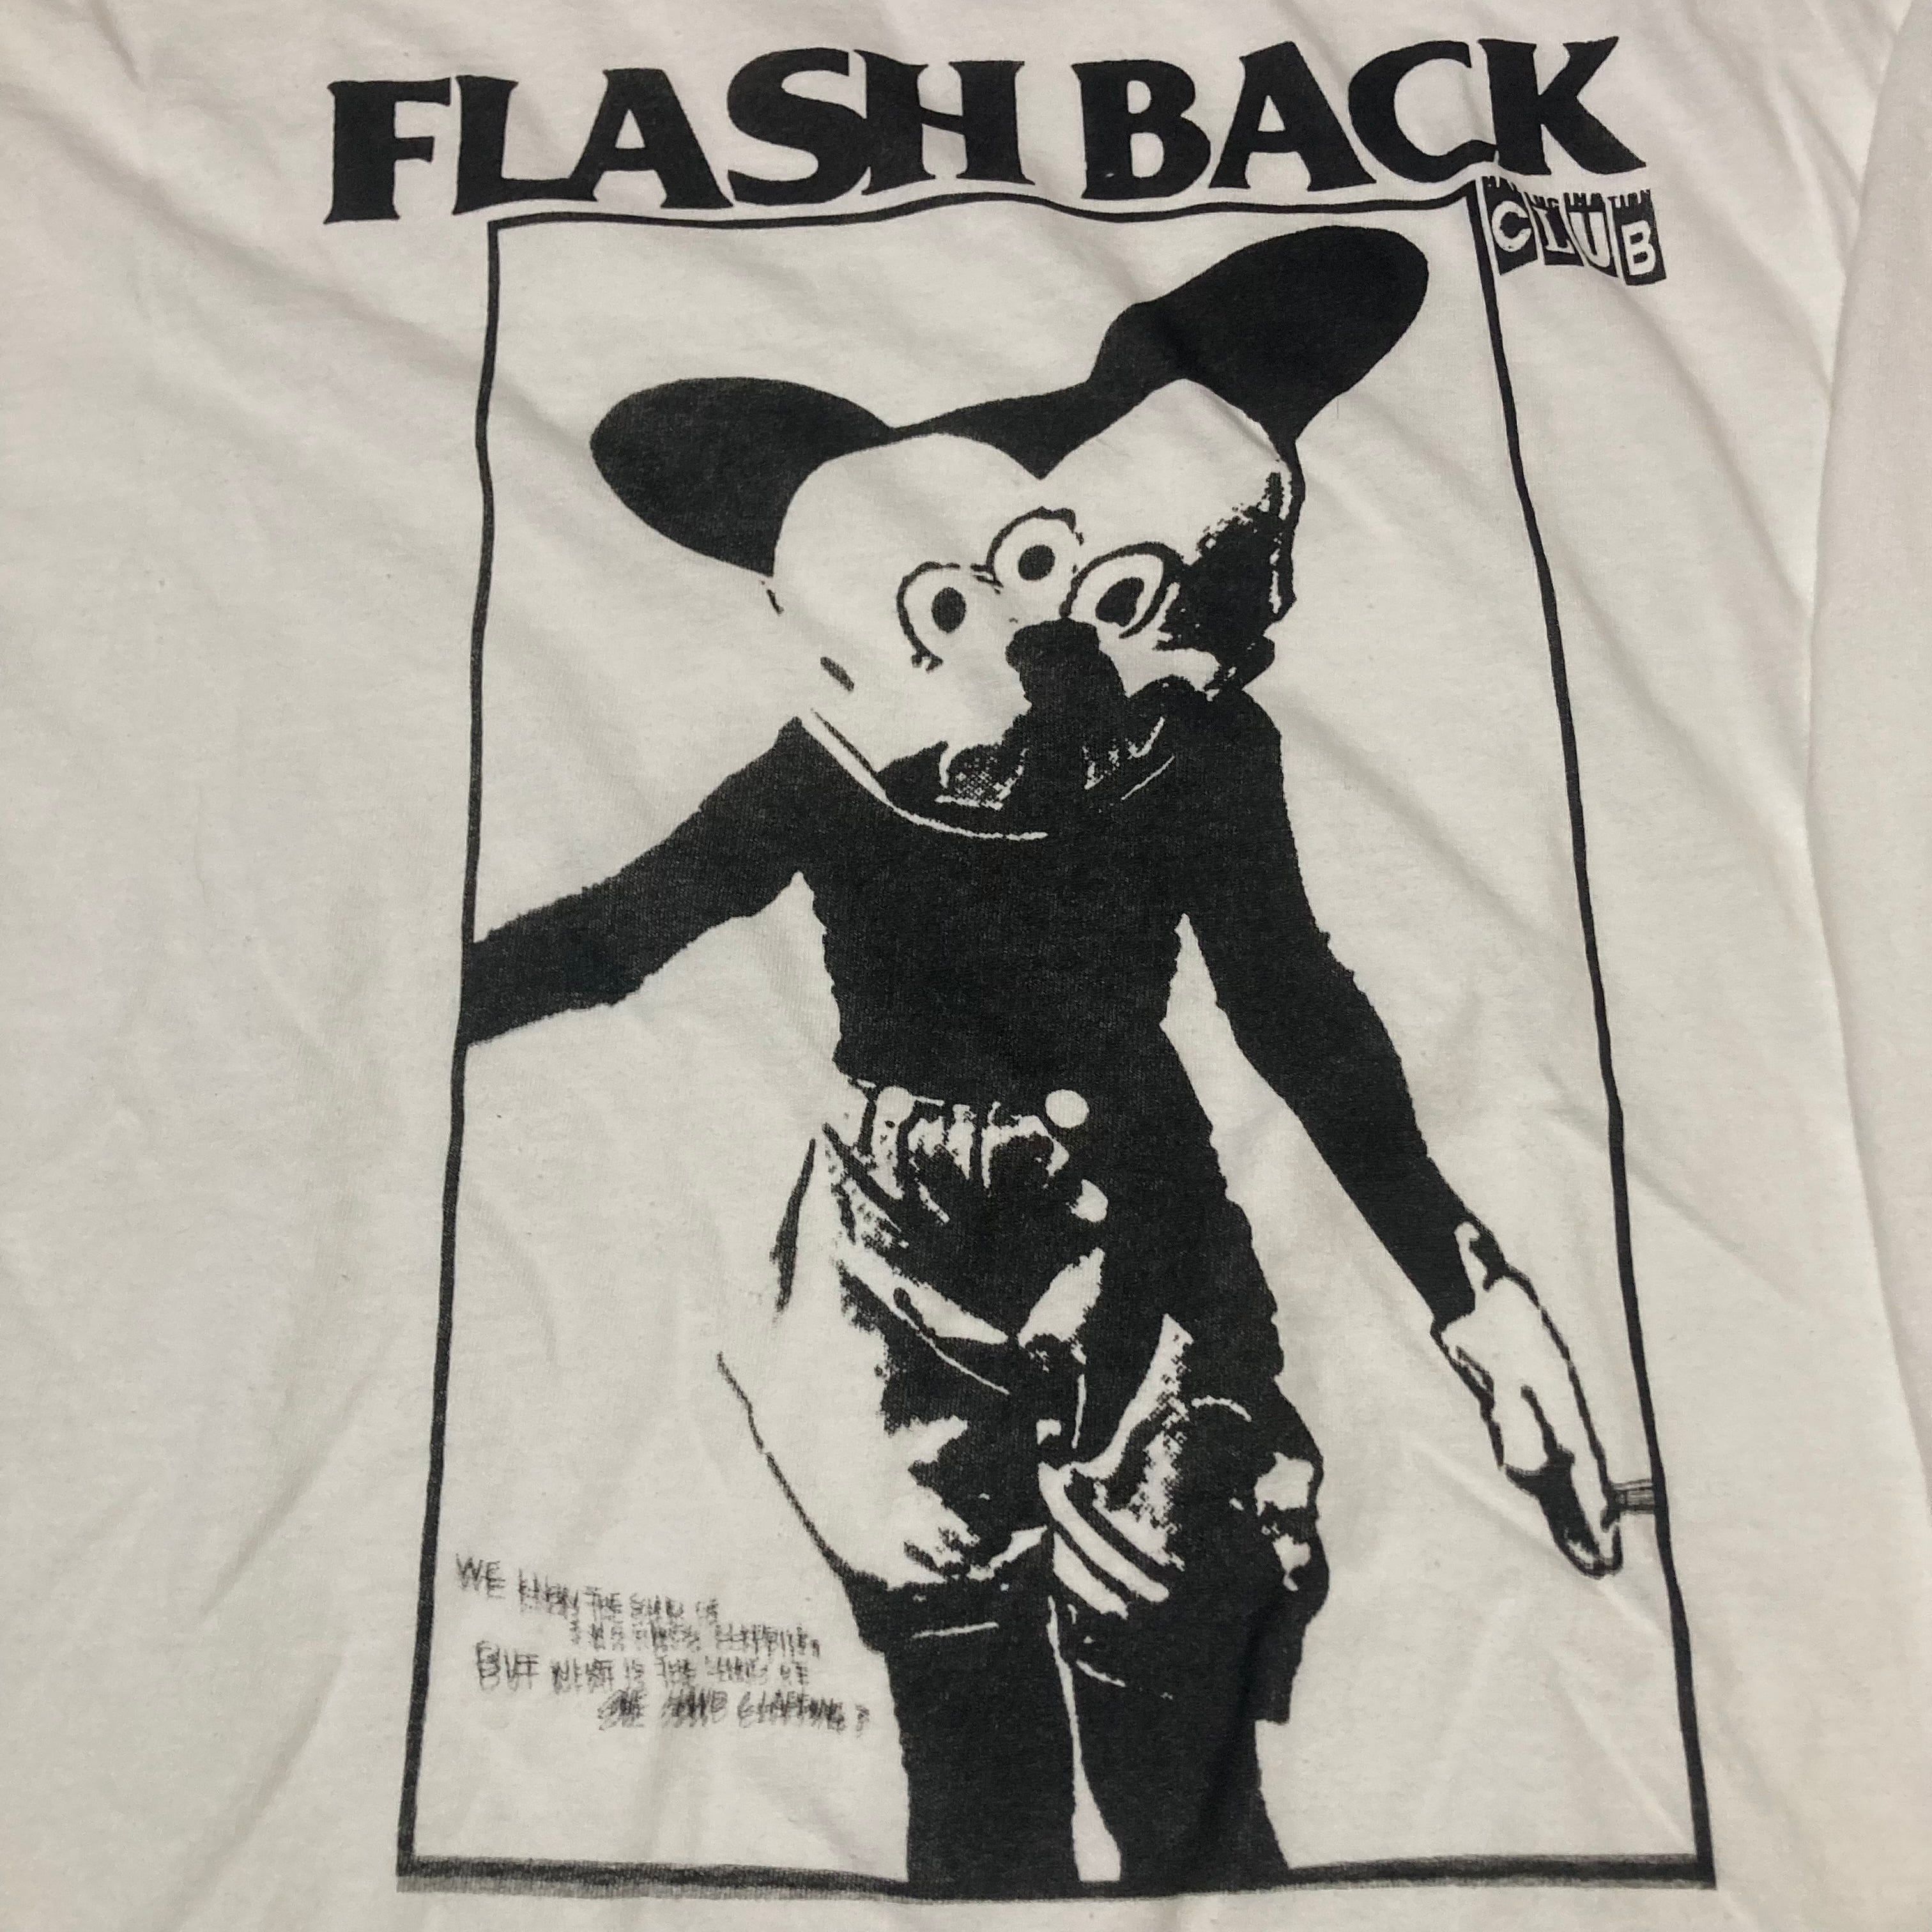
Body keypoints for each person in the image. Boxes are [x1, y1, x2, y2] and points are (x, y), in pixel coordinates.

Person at [459, 226, 1621, 1897]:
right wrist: (391, 1019)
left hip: (1132, 1217)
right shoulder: (839, 772)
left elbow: (1292, 1010)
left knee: (1176, 1707)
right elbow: (620, 930)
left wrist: (1474, 1294)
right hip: (899, 1249)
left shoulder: (1202, 753)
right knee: (967, 1722)